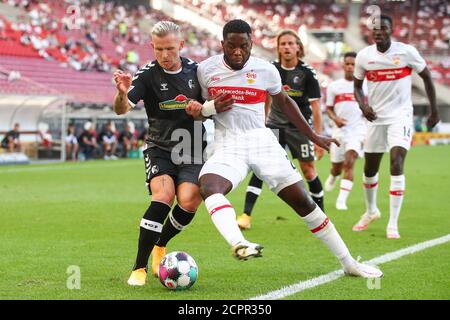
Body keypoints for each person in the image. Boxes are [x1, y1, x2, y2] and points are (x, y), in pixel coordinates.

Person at [186, 19, 382, 278]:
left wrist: (312, 134)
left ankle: (349, 263)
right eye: (231, 46)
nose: (237, 52)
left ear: (251, 44)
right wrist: (205, 109)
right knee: (209, 186)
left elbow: (285, 102)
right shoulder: (205, 69)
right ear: (222, 44)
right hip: (228, 144)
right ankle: (239, 243)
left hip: (262, 142)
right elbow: (198, 111)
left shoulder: (265, 70)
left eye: (243, 46)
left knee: (305, 203)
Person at [112, 21, 233, 286]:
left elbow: (212, 107)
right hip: (160, 148)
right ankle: (139, 268)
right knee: (163, 197)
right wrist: (121, 94)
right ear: (152, 47)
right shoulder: (146, 75)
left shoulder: (197, 72)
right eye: (158, 49)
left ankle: (161, 244)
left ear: (181, 45)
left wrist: (201, 109)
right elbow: (121, 109)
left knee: (189, 201)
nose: (164, 55)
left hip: (192, 149)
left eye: (169, 48)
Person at [351, 15, 439, 238]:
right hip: (376, 118)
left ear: (392, 30)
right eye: (375, 29)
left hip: (400, 117)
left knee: (396, 162)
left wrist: (434, 110)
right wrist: (363, 106)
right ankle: (371, 211)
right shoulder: (364, 56)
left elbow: (427, 78)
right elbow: (357, 87)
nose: (378, 32)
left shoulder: (406, 52)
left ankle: (392, 223)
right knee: (369, 170)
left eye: (384, 28)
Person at [237, 29, 325, 230]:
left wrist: (317, 138)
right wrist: (263, 124)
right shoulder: (271, 69)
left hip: (299, 129)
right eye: (282, 44)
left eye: (290, 43)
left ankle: (321, 217)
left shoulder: (307, 73)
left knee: (309, 171)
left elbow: (316, 108)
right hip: (274, 127)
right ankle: (245, 216)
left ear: (298, 48)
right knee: (260, 169)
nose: (286, 47)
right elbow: (266, 98)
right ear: (277, 48)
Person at [324, 52, 367, 211]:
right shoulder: (334, 86)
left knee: (350, 161)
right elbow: (328, 108)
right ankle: (334, 176)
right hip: (339, 132)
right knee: (337, 167)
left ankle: (341, 200)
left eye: (353, 64)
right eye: (347, 64)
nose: (350, 67)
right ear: (343, 66)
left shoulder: (365, 86)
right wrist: (335, 119)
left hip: (358, 131)